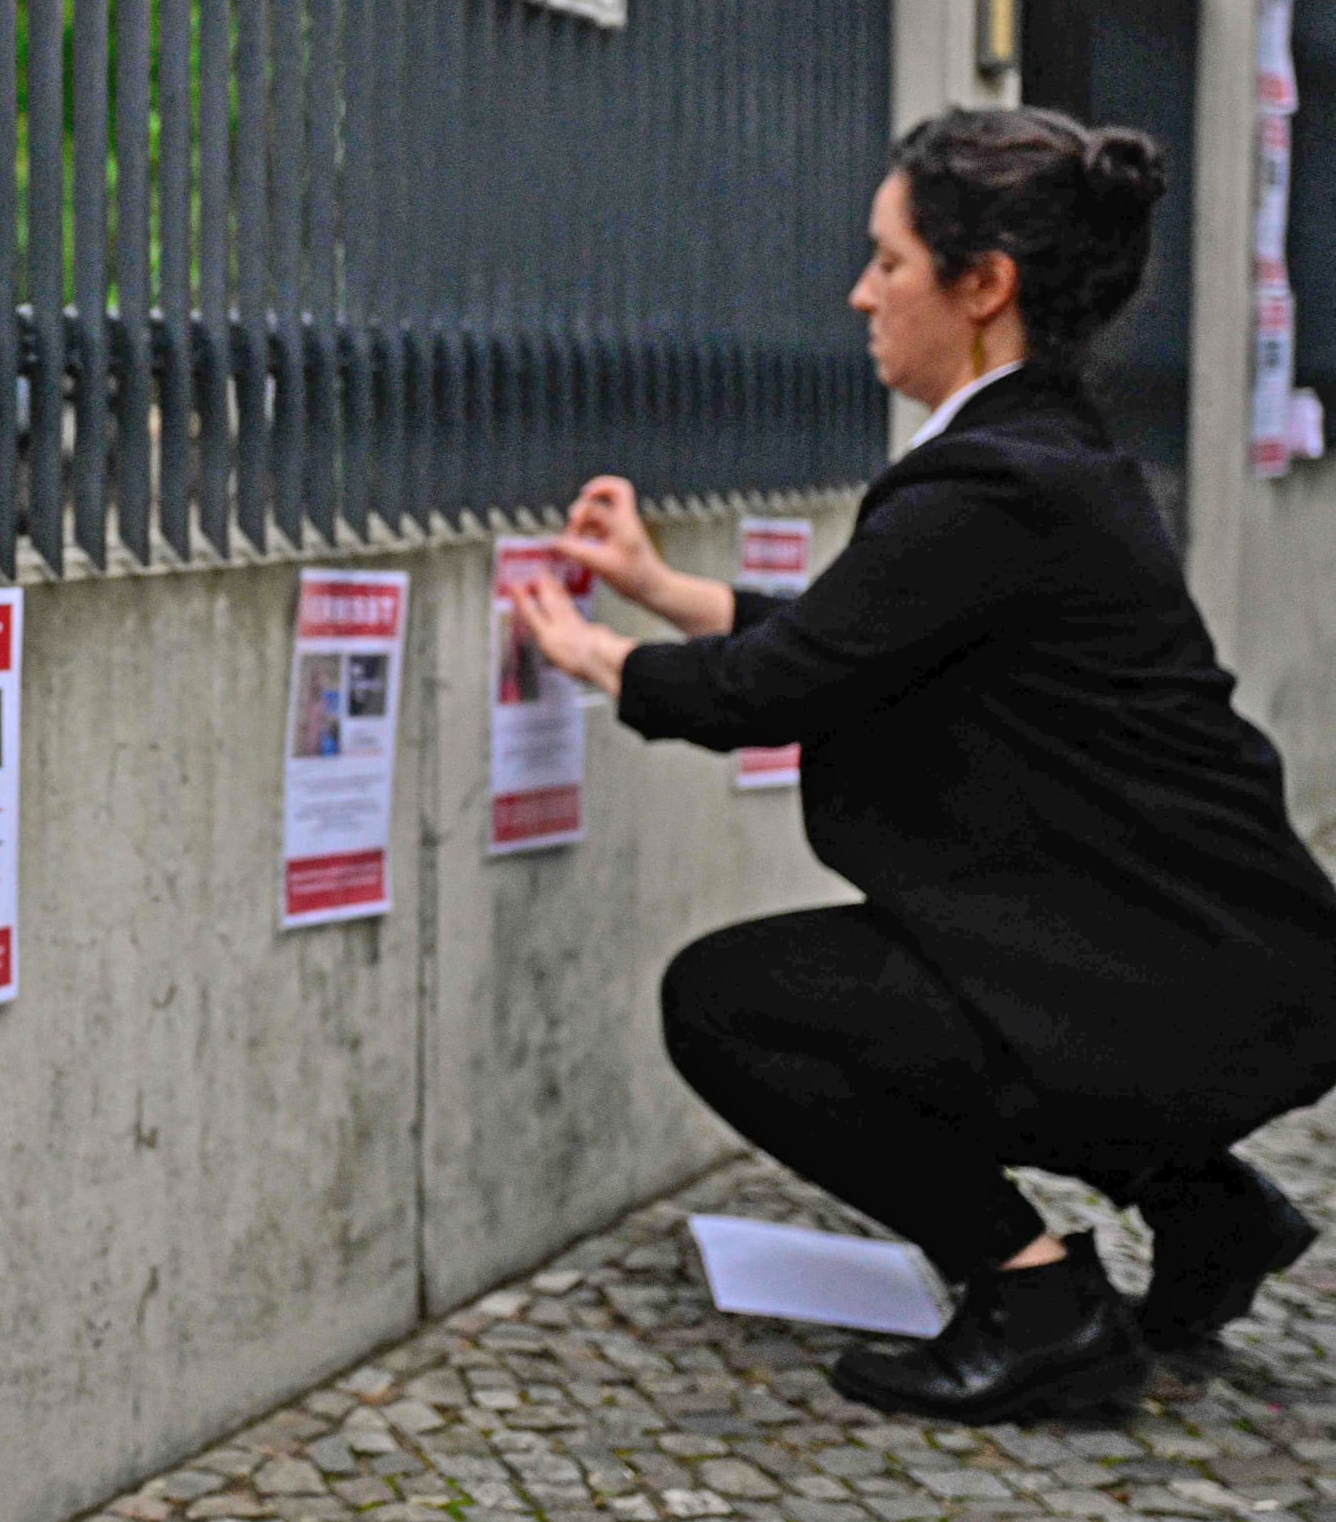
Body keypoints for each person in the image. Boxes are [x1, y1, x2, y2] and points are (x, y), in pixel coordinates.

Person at [512, 107, 1336, 1423]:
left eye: (888, 261)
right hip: (1213, 970)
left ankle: (1036, 1303)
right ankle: (1207, 1212)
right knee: (980, 995)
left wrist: (587, 651)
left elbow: (784, 686)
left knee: (730, 1003)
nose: (861, 292)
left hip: (1168, 986)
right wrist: (665, 591)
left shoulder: (995, 483)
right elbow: (862, 643)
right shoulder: (1040, 452)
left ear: (984, 285)